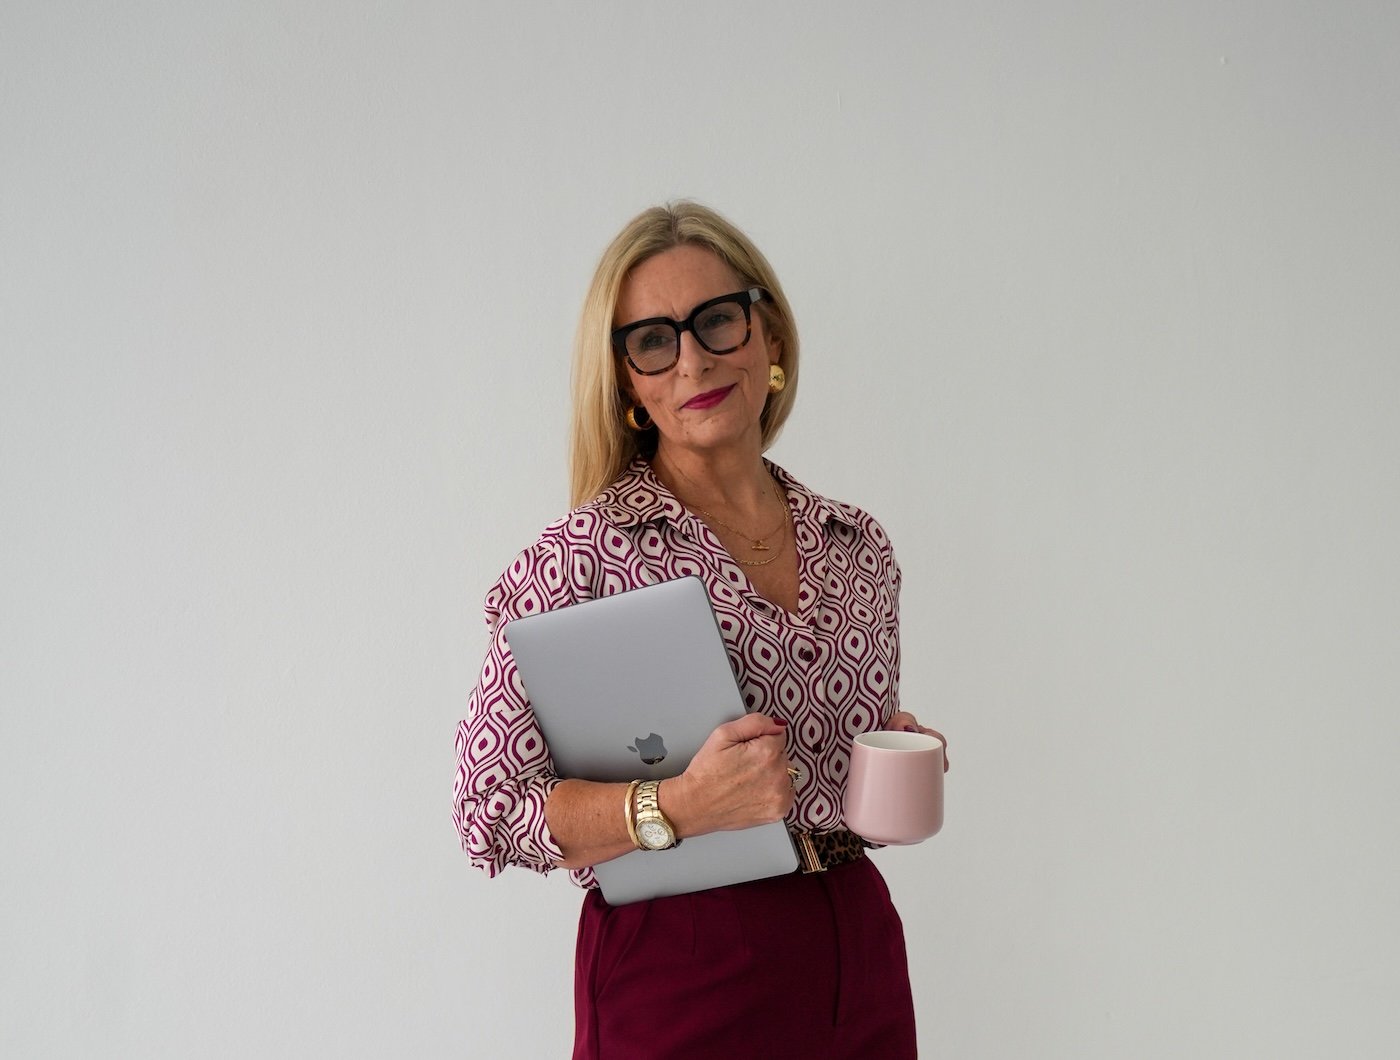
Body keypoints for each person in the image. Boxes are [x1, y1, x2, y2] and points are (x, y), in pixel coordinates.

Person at [453, 201, 949, 1058]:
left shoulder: (855, 544)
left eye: (717, 321)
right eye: (654, 340)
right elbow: (489, 810)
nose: (693, 360)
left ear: (770, 339)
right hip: (687, 967)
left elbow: (829, 790)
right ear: (628, 383)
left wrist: (893, 761)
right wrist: (677, 805)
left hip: (857, 949)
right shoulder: (578, 563)